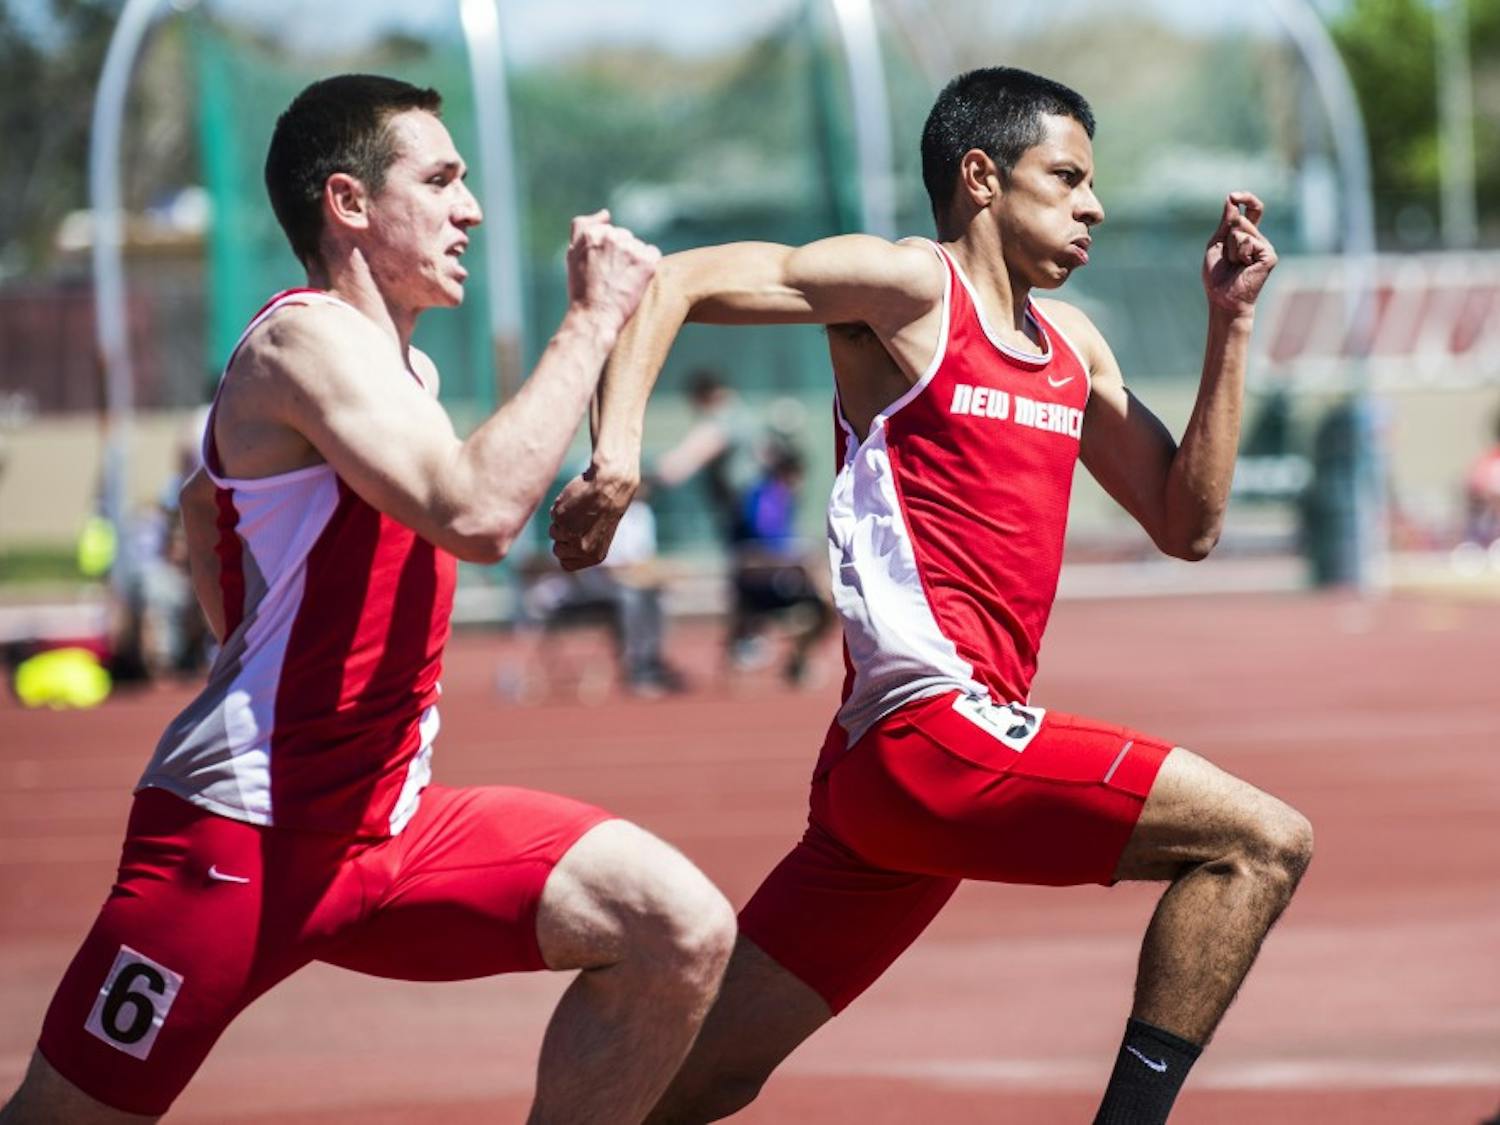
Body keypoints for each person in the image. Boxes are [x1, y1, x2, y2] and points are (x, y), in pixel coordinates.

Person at [551, 66, 1313, 1125]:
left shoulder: (1073, 347)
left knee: (694, 1083)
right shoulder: (908, 290)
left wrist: (1229, 323)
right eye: (1069, 177)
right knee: (1261, 842)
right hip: (930, 736)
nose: (1094, 204)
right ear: (981, 177)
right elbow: (673, 280)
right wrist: (619, 454)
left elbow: (1189, 526)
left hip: (898, 794)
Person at [0, 74, 734, 1125]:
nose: (470, 209)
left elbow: (205, 509)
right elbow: (476, 513)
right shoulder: (301, 343)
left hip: (390, 831)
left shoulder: (406, 378)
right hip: (241, 843)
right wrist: (592, 316)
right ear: (349, 203)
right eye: (440, 180)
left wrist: (243, 631)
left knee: (678, 929)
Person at [725, 443, 835, 684]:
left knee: (827, 598)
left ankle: (797, 657)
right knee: (825, 598)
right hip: (757, 578)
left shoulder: (779, 497)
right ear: (788, 472)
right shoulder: (766, 495)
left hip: (774, 574)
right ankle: (781, 650)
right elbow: (765, 543)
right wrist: (802, 557)